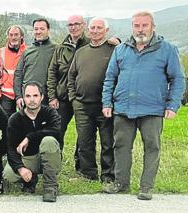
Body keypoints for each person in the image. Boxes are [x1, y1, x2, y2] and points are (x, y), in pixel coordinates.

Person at [101, 11, 185, 200]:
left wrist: (172, 105)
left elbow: (178, 79)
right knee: (121, 146)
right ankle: (121, 184)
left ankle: (146, 187)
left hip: (152, 109)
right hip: (123, 108)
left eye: (144, 25)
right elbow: (109, 78)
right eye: (137, 25)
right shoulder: (121, 49)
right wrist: (107, 102)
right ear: (132, 27)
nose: (140, 29)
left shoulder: (167, 49)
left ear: (152, 27)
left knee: (152, 147)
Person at [67, 17, 116, 183]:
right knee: (85, 142)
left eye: (99, 28)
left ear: (106, 31)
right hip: (81, 105)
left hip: (105, 105)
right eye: (92, 28)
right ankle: (88, 174)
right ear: (88, 30)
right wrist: (73, 98)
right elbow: (71, 76)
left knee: (108, 142)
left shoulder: (114, 50)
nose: (95, 31)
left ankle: (108, 175)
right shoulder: (81, 52)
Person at [4, 81, 62, 202]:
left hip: (50, 156)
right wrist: (21, 168)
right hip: (29, 158)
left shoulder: (50, 113)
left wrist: (30, 137)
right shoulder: (15, 119)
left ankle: (50, 187)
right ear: (23, 98)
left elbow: (56, 132)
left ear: (42, 97)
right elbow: (10, 147)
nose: (32, 100)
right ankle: (30, 180)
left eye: (35, 96)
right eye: (28, 96)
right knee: (9, 174)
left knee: (48, 140)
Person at [14, 18, 57, 109]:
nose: (38, 32)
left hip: (47, 99)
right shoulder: (27, 51)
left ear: (48, 30)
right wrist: (18, 96)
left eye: (42, 29)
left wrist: (53, 97)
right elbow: (18, 74)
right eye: (36, 29)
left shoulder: (56, 49)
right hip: (28, 98)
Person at [0, 25, 27, 116]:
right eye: (11, 35)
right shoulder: (1, 52)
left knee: (26, 124)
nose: (13, 37)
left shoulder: (28, 51)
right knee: (7, 124)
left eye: (16, 35)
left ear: (21, 36)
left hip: (24, 93)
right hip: (6, 94)